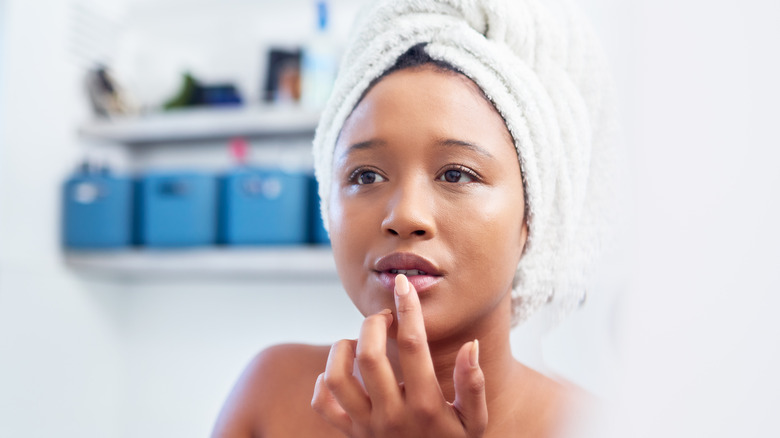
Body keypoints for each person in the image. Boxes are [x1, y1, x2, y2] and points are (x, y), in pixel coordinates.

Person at [212, 0, 613, 436]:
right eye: (366, 175)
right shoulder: (272, 394)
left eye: (456, 173)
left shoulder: (596, 427)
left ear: (532, 216)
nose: (404, 216)